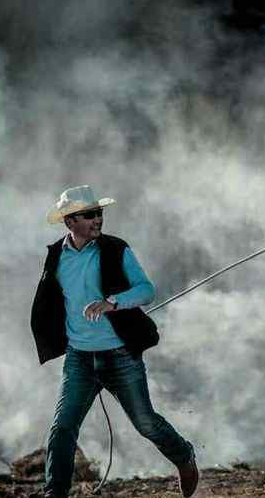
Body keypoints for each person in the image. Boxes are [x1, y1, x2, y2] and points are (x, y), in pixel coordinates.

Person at [30, 185, 198, 498]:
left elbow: (146, 290)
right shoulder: (55, 256)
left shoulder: (116, 249)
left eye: (99, 213)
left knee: (146, 423)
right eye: (89, 215)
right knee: (63, 428)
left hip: (120, 356)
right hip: (79, 359)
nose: (98, 219)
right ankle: (55, 493)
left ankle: (184, 456)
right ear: (70, 223)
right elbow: (50, 302)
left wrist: (113, 302)